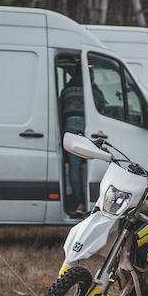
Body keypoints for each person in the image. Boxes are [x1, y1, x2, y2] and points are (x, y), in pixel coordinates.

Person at [60, 66, 86, 214]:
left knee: (74, 168)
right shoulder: (91, 89)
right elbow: (102, 106)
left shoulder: (66, 90)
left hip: (70, 126)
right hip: (86, 127)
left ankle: (79, 202)